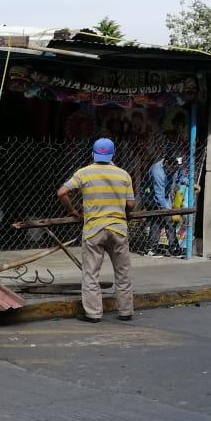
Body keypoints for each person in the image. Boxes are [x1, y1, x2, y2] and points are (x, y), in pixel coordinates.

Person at [57, 137, 136, 323]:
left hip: (94, 229)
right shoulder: (123, 175)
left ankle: (93, 314)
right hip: (118, 229)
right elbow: (130, 204)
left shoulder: (84, 173)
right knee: (123, 272)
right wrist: (123, 211)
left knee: (91, 273)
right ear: (112, 154)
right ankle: (125, 311)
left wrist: (73, 211)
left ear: (93, 154)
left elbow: (62, 192)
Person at [144, 149, 182, 257]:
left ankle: (153, 248)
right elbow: (158, 195)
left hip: (165, 196)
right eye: (174, 167)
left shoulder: (175, 167)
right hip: (152, 197)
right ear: (167, 163)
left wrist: (187, 182)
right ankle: (170, 248)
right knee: (160, 221)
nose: (175, 170)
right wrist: (168, 209)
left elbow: (180, 177)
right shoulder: (158, 172)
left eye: (177, 167)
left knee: (161, 222)